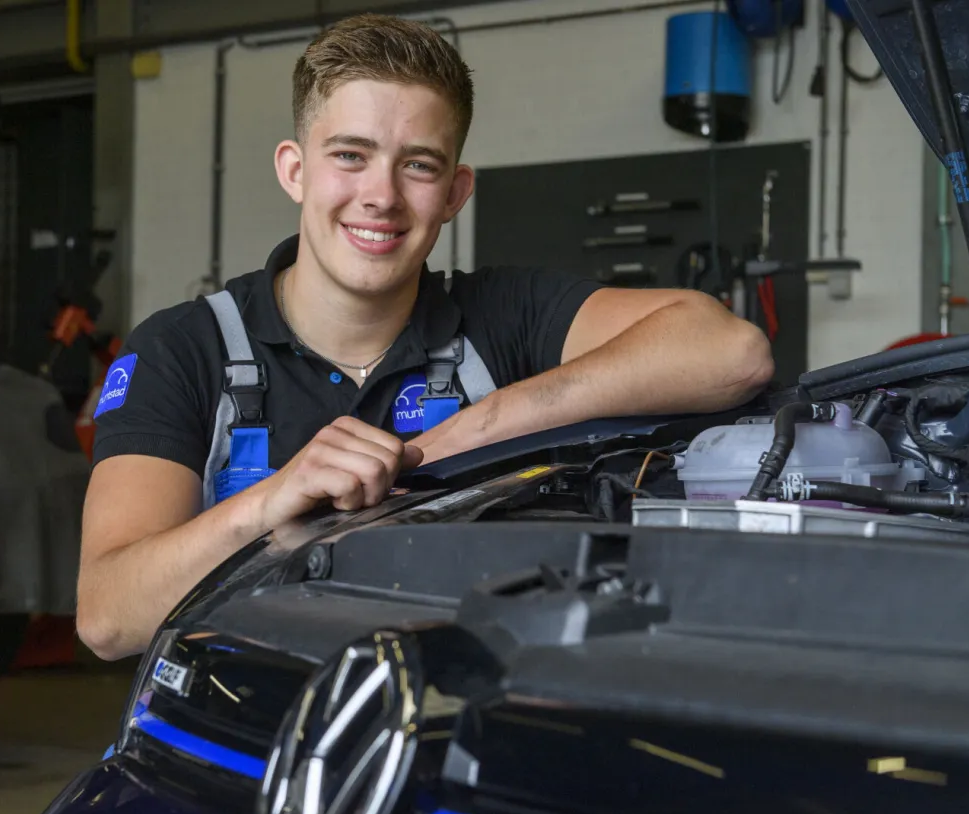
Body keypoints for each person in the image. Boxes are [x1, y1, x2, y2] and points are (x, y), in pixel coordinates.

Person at [75, 13, 774, 660]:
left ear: (454, 193)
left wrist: (469, 432)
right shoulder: (181, 351)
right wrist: (270, 503)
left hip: (455, 725)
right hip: (238, 738)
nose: (381, 195)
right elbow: (107, 618)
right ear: (295, 169)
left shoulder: (503, 315)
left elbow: (730, 351)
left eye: (418, 164)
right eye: (350, 155)